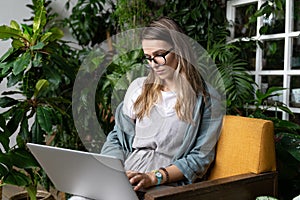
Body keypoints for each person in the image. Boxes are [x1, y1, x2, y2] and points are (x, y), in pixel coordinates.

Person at [71, 16, 224, 200]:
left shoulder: (206, 98)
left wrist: (153, 177)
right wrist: (112, 171)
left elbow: (199, 159)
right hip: (128, 176)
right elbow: (117, 138)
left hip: (165, 186)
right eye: (148, 57)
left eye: (160, 55)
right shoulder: (140, 88)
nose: (153, 64)